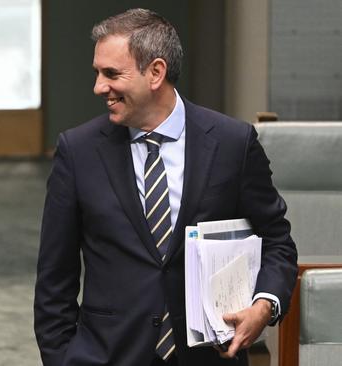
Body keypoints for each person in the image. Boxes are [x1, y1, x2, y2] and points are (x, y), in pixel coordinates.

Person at [34, 8, 298, 366]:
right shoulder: (78, 151)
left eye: (111, 74)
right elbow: (54, 279)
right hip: (107, 356)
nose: (99, 87)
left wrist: (263, 306)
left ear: (156, 72)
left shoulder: (232, 143)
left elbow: (277, 242)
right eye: (97, 73)